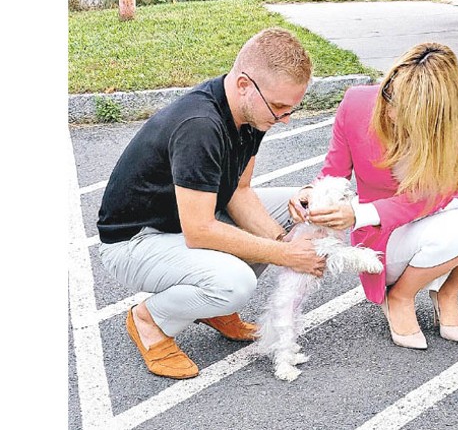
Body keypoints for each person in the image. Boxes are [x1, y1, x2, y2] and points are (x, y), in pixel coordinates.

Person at [97, 27, 326, 379]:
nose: (285, 119)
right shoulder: (200, 126)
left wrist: (284, 242)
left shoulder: (253, 114)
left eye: (291, 108)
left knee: (303, 210)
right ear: (244, 85)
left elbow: (239, 191)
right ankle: (150, 320)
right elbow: (200, 230)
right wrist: (285, 255)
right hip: (135, 242)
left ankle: (210, 306)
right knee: (235, 284)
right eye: (280, 108)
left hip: (181, 226)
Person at [289, 42, 458, 350]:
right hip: (383, 238)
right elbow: (333, 173)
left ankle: (447, 292)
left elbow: (435, 195)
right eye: (389, 94)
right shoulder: (357, 103)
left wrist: (358, 213)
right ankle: (400, 296)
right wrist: (310, 194)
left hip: (433, 220)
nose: (392, 110)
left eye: (406, 106)